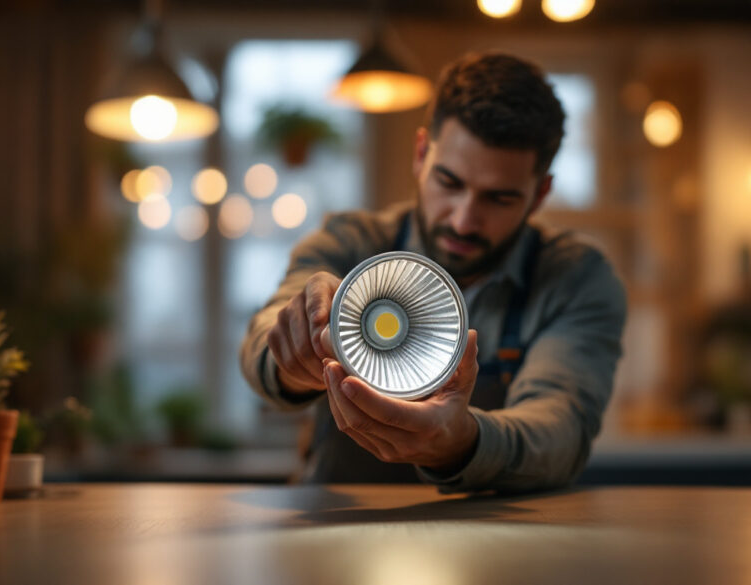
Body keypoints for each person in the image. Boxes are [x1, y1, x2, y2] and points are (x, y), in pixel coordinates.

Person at [240, 51, 626, 493]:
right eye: (449, 182)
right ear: (422, 155)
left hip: (500, 544)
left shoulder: (576, 279)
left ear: (539, 195)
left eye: (498, 199)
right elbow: (261, 342)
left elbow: (560, 429)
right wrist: (296, 353)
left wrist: (459, 442)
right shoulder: (350, 242)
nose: (464, 220)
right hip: (337, 525)